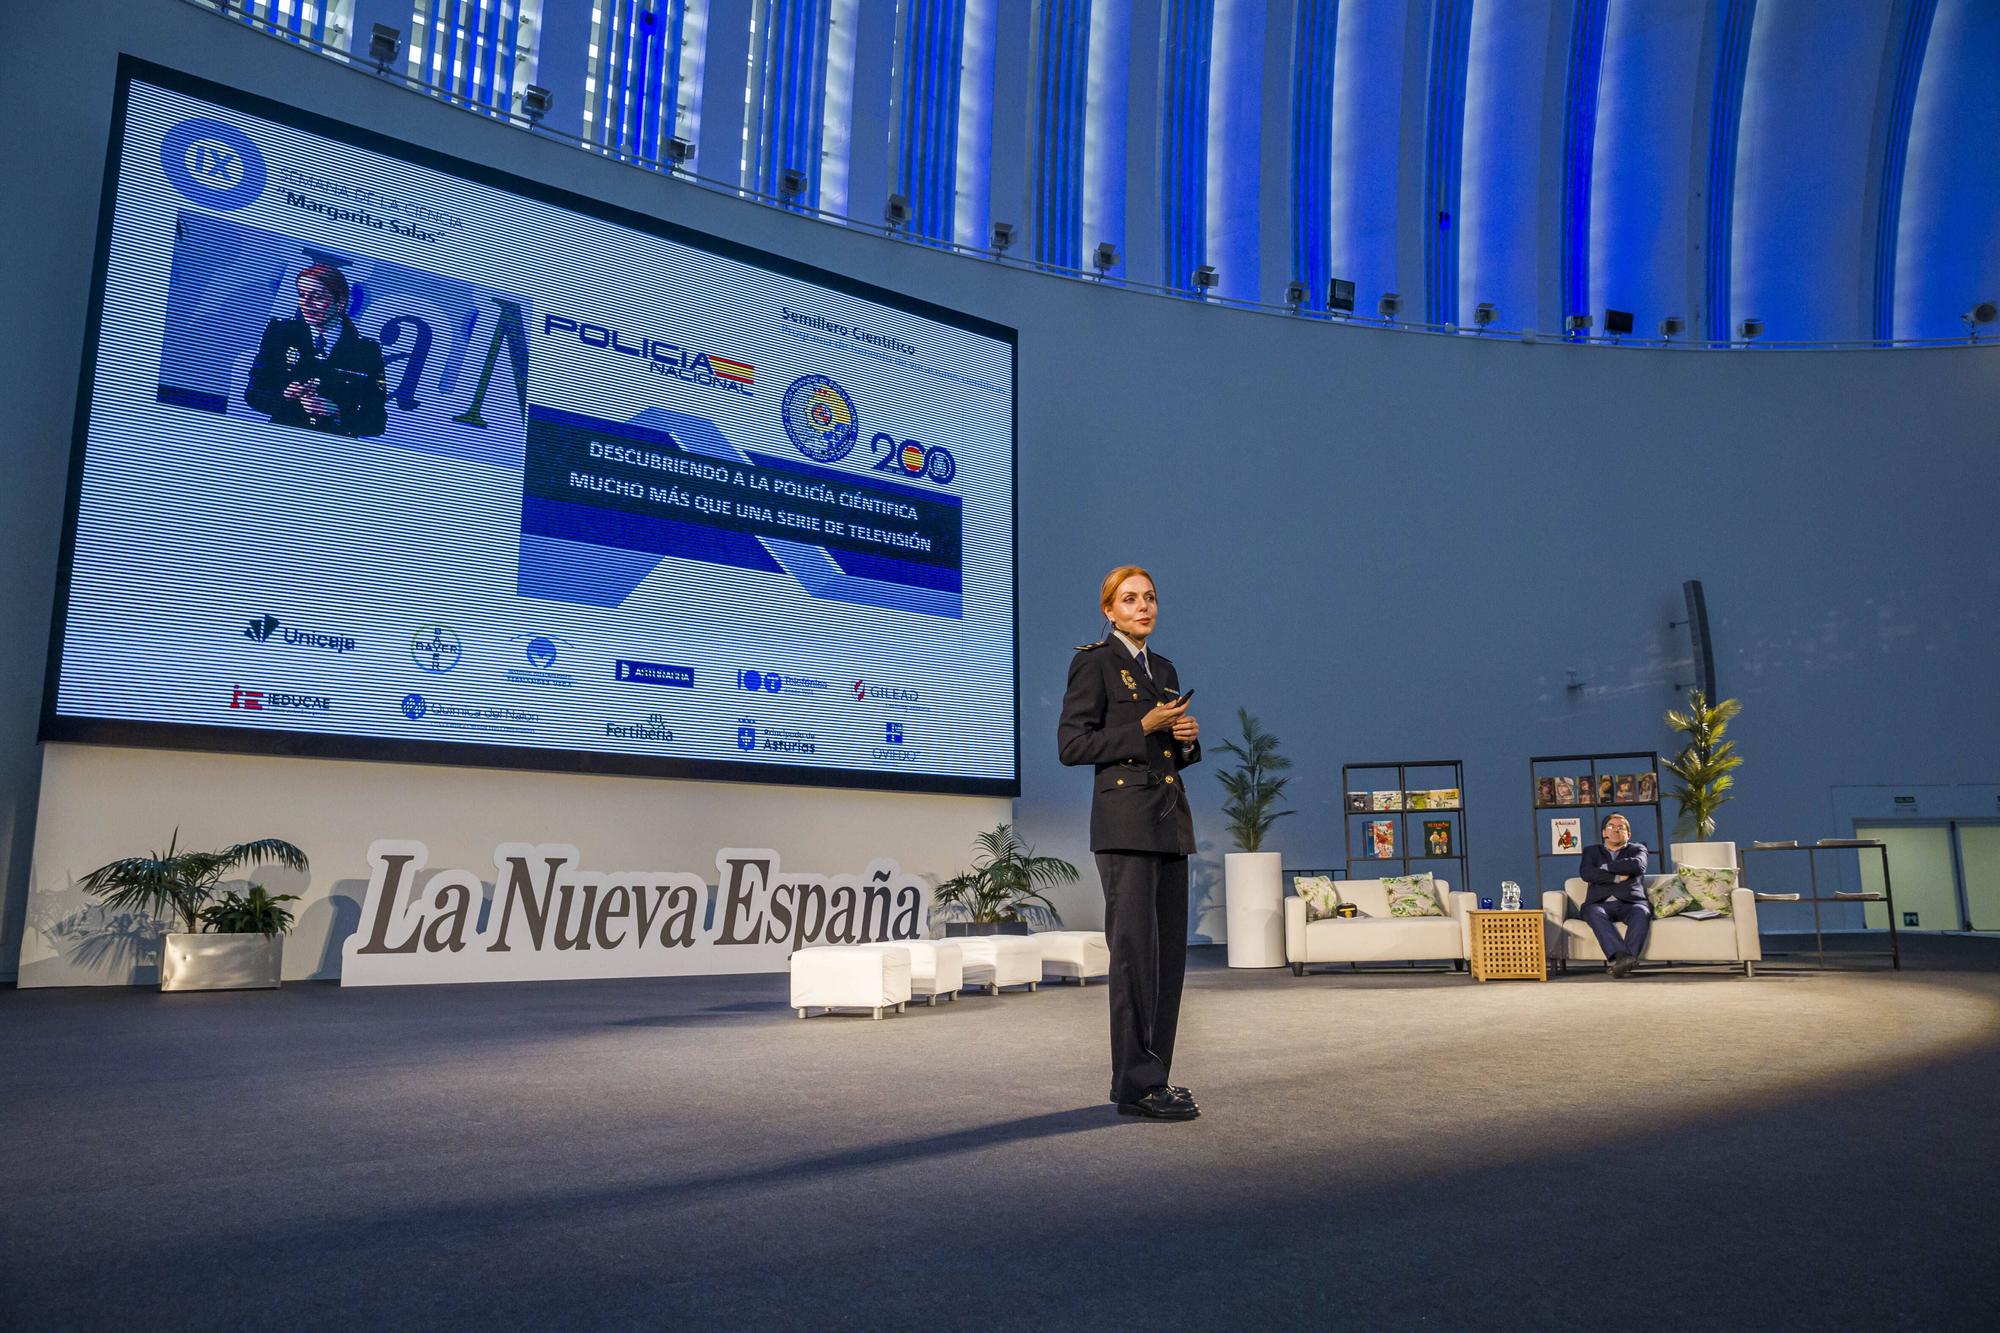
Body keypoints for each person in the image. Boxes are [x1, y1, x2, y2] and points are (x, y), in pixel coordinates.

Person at [1057, 566, 1202, 1121]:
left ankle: (1154, 1077)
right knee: (1135, 959)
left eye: (1150, 598)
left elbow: (1170, 752)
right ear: (1108, 610)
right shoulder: (1093, 663)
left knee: (1167, 961)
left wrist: (1186, 740)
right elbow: (1072, 745)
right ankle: (1135, 1084)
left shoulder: (1162, 669)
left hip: (1168, 823)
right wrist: (1142, 727)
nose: (1143, 607)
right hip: (1124, 827)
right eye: (1130, 599)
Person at [245, 263, 388, 436]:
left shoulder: (367, 350)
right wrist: (285, 394)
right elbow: (253, 394)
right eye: (302, 295)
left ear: (340, 301)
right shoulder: (280, 332)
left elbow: (376, 423)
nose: (305, 303)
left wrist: (337, 412)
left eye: (316, 296)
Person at [1578, 813, 1650, 977]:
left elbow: (1637, 865)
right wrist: (1617, 877)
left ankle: (1621, 963)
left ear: (1628, 834)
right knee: (1593, 912)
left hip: (1631, 903)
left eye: (1621, 827)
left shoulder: (1638, 849)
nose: (1616, 830)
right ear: (1604, 832)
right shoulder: (1591, 851)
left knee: (1642, 913)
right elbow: (1587, 873)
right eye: (1611, 826)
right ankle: (1624, 958)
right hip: (1600, 903)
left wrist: (1605, 867)